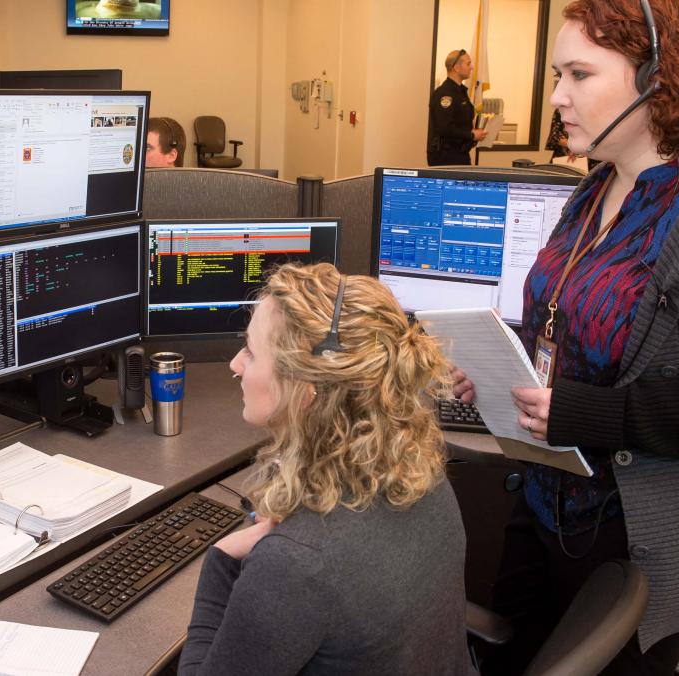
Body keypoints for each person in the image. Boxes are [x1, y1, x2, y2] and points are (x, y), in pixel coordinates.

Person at [452, 1, 679, 673]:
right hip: (548, 503)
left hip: (642, 537)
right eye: (557, 74)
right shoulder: (601, 184)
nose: (557, 97)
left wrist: (590, 414)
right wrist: (495, 366)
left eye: (579, 74)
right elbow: (566, 321)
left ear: (660, 78)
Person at [178, 263, 472, 675]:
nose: (235, 364)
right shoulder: (422, 473)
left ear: (305, 389)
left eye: (250, 351)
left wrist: (221, 558)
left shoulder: (297, 564)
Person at [428, 49, 488, 166]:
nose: (472, 67)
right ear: (456, 68)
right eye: (468, 63)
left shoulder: (460, 92)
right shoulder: (445, 94)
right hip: (446, 157)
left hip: (460, 154)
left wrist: (474, 135)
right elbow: (444, 127)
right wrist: (471, 135)